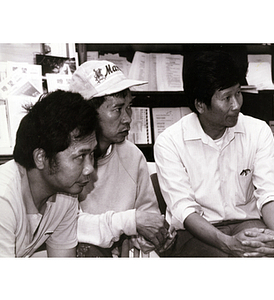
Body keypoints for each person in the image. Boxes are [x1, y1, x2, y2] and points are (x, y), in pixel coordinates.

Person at [154, 50, 274, 257]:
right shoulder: (169, 142)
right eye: (226, 98)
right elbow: (185, 209)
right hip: (197, 231)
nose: (236, 105)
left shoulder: (258, 131)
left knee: (261, 254)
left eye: (238, 93)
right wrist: (228, 244)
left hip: (247, 222)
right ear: (200, 104)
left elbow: (270, 192)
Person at [69, 60, 175, 257]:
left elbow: (148, 214)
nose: (128, 118)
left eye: (129, 107)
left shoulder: (132, 155)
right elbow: (66, 225)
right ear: (87, 114)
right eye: (117, 109)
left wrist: (146, 236)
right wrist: (129, 223)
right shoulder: (65, 158)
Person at [0, 90, 98, 257]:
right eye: (81, 156)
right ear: (41, 157)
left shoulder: (66, 197)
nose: (90, 169)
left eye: (92, 154)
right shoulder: (4, 199)